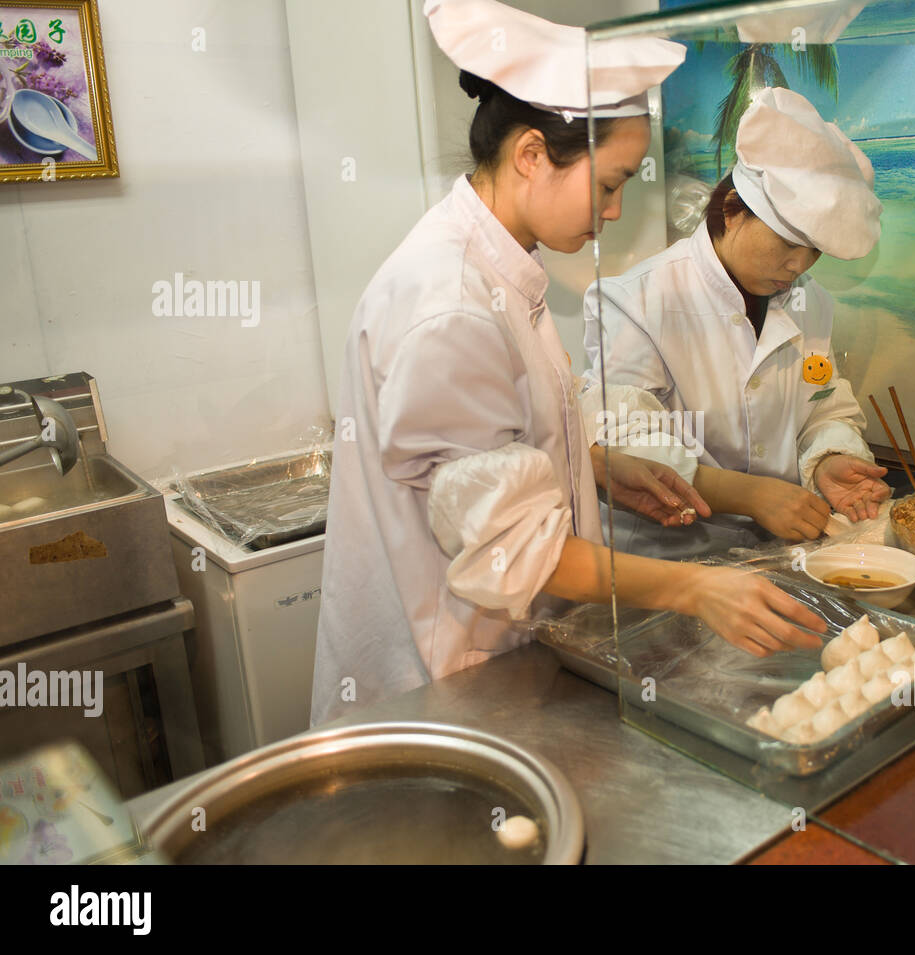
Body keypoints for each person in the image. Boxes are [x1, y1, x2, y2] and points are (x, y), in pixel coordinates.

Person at [311, 1, 824, 726]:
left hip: (492, 658)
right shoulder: (451, 304)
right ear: (530, 154)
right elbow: (515, 551)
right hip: (440, 680)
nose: (614, 211)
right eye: (610, 183)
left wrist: (599, 466)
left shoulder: (497, 267)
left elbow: (487, 450)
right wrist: (695, 588)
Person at [583, 87, 891, 560]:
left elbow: (823, 402)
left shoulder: (811, 305)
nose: (798, 265)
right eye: (788, 243)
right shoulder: (635, 301)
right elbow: (626, 444)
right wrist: (750, 495)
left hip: (776, 550)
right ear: (730, 210)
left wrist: (830, 459)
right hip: (667, 557)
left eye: (814, 251)